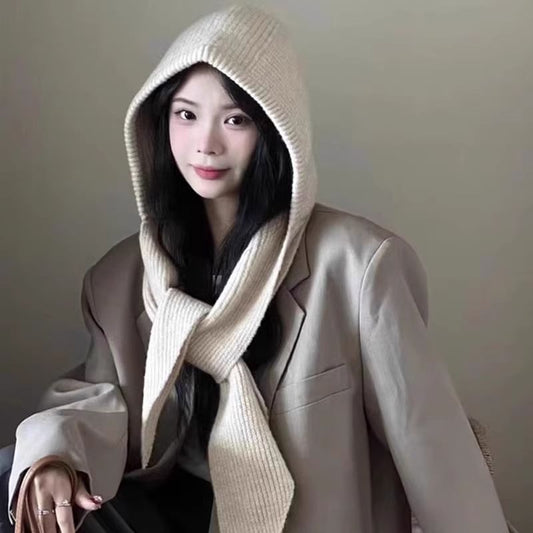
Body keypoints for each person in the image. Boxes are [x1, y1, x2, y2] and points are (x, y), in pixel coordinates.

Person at [1, 4, 512, 533]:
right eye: (186, 114)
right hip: (167, 513)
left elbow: (432, 448)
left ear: (274, 128)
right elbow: (102, 403)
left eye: (235, 119)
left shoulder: (359, 267)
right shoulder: (119, 279)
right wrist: (52, 460)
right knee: (14, 475)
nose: (206, 143)